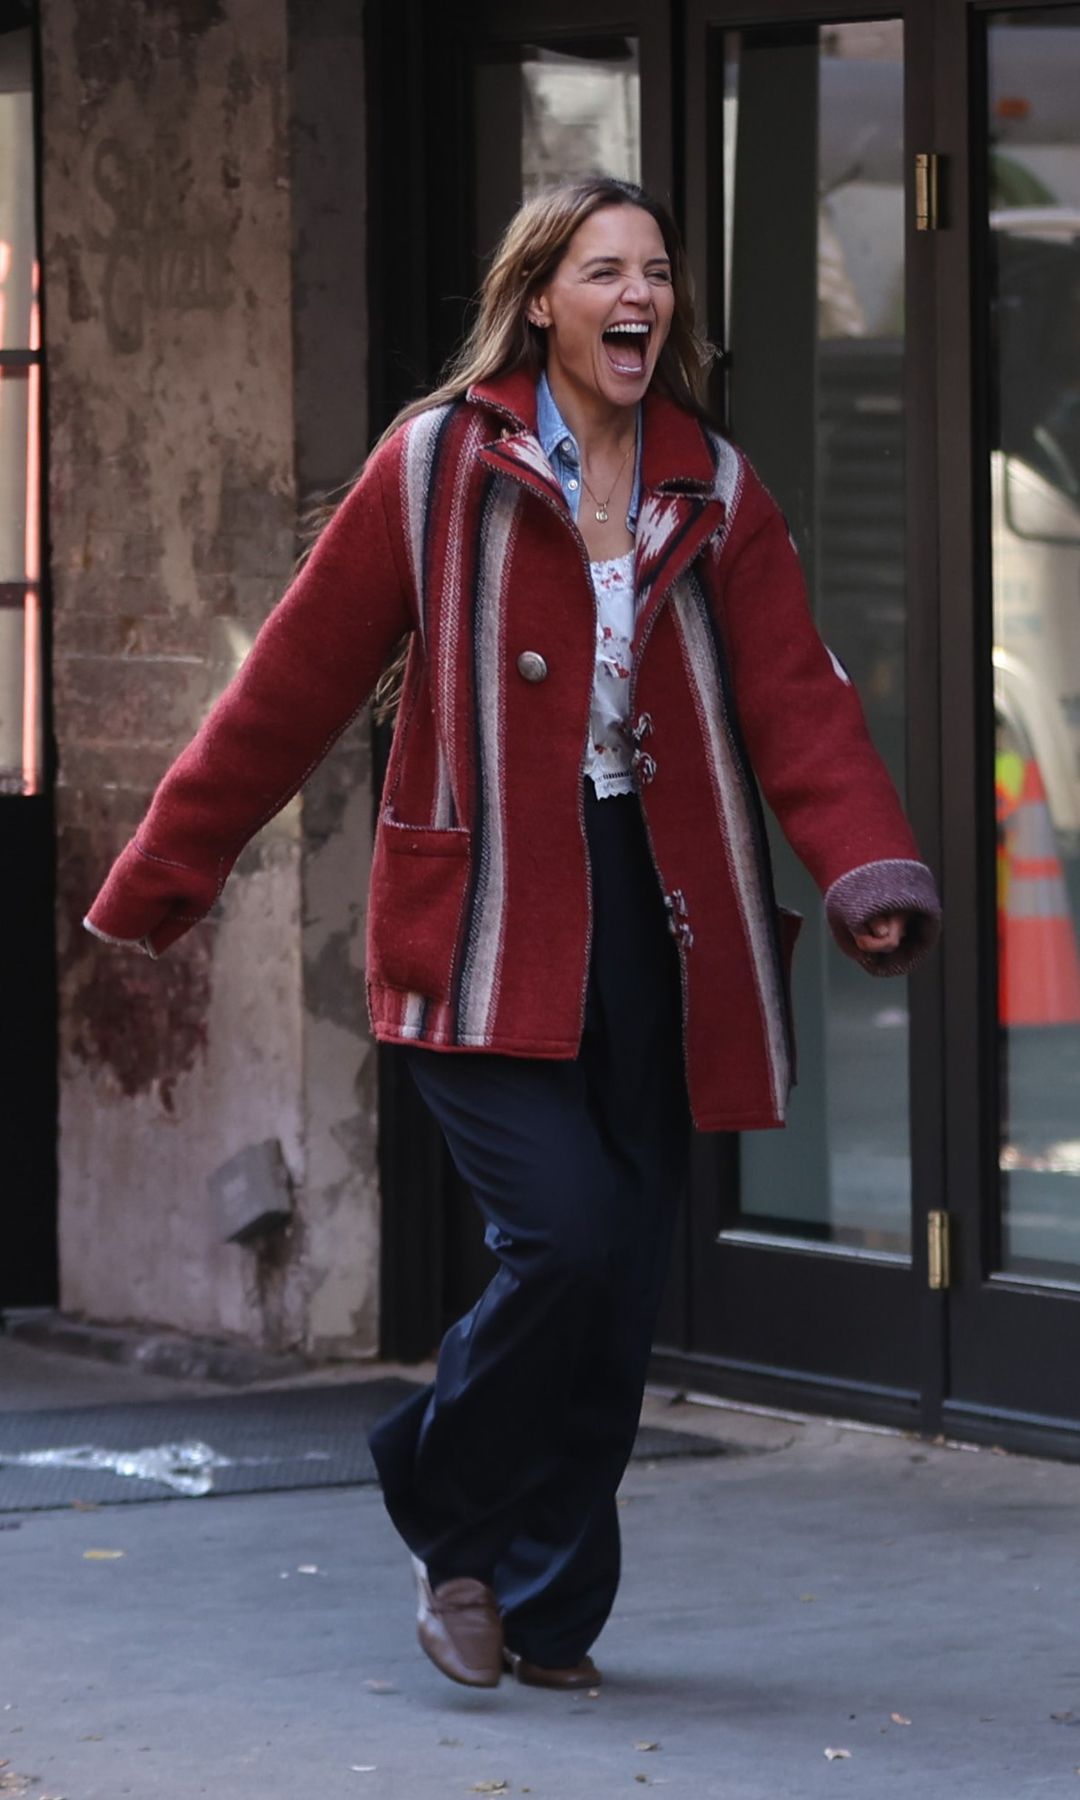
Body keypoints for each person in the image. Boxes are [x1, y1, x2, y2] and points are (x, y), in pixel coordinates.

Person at [84, 176, 941, 1695]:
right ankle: (446, 1502)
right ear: (539, 297)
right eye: (607, 270)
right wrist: (172, 866)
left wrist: (870, 867)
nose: (642, 295)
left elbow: (799, 702)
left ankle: (544, 1600)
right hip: (477, 920)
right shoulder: (437, 467)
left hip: (664, 921)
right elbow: (289, 682)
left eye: (659, 274)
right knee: (563, 1235)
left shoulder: (713, 487)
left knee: (620, 1286)